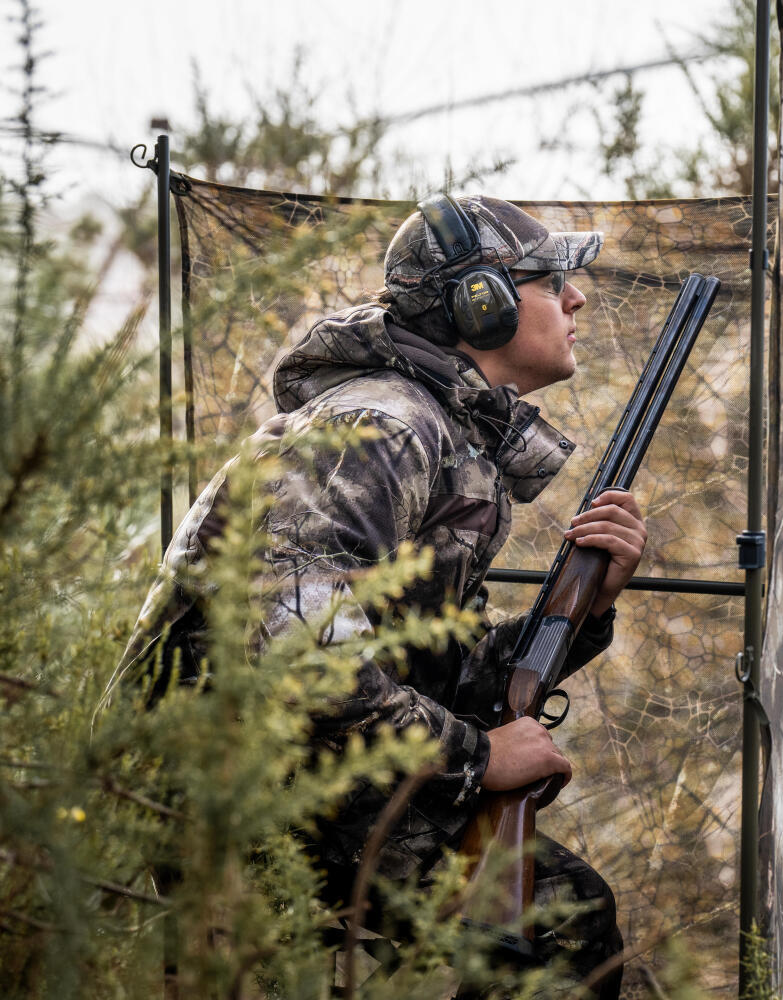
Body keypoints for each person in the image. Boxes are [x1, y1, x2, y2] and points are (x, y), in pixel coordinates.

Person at [106, 194, 646, 998]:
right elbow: (297, 650)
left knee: (553, 922)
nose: (577, 298)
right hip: (231, 783)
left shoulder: (446, 437)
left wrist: (590, 605)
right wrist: (476, 757)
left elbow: (438, 672)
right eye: (551, 280)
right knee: (561, 921)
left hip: (309, 769)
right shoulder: (383, 425)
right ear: (482, 302)